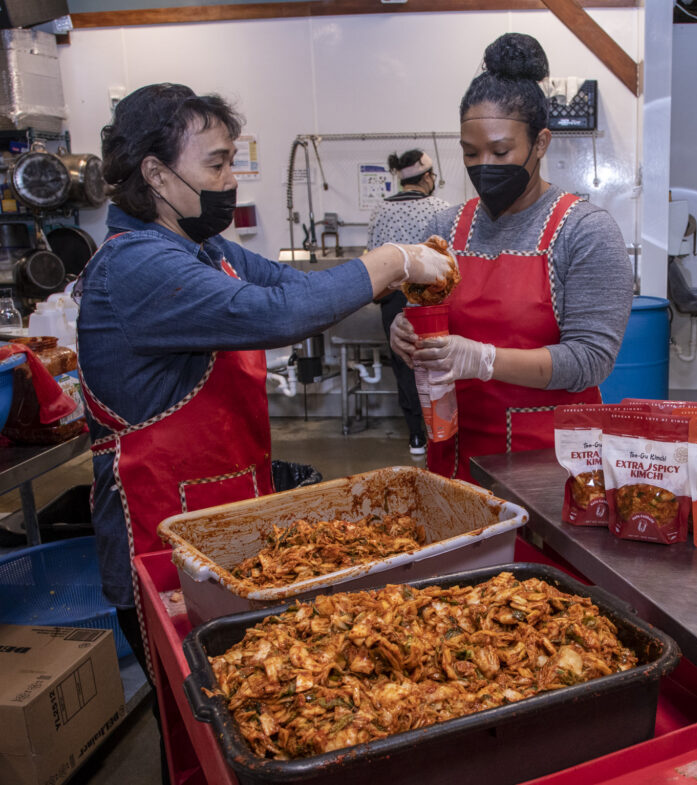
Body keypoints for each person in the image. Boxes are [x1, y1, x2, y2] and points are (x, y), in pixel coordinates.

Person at [75, 83, 453, 667]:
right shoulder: (135, 266)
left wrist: (388, 274)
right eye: (217, 164)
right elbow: (279, 315)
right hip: (161, 544)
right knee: (192, 721)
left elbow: (297, 289)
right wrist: (393, 260)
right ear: (155, 174)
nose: (232, 180)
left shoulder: (207, 250)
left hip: (227, 534)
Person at [390, 33, 633, 481]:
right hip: (458, 452)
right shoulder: (445, 229)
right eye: (470, 152)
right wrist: (404, 333)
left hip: (551, 464)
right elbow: (425, 321)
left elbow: (590, 360)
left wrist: (483, 360)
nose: (484, 164)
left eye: (501, 151)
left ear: (540, 143)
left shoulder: (584, 231)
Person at [366, 149, 450, 455]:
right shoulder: (441, 209)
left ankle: (416, 436)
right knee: (435, 362)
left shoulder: (380, 212)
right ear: (427, 178)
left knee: (405, 364)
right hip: (432, 300)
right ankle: (441, 431)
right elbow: (449, 258)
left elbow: (372, 260)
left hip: (393, 299)